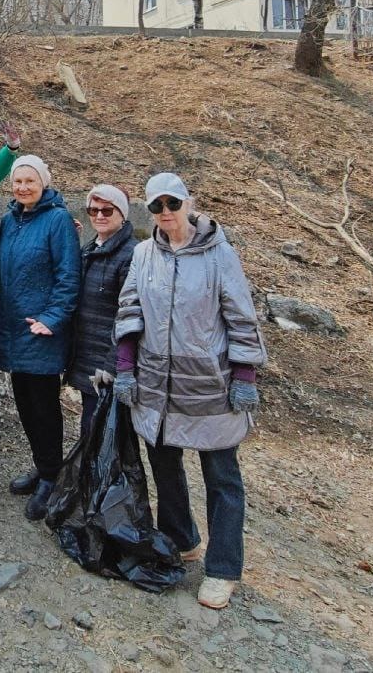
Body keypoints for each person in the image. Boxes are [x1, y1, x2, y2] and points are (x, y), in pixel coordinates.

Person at [114, 173, 266, 611]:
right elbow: (130, 310)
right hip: (157, 385)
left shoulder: (220, 255)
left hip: (208, 387)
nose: (165, 212)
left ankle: (223, 568)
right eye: (156, 206)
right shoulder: (143, 254)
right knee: (165, 467)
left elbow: (241, 317)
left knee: (222, 478)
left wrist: (244, 378)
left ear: (188, 203)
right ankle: (181, 540)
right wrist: (125, 369)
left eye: (172, 203)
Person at [0, 154, 81, 521]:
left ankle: (50, 477)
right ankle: (43, 465)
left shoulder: (58, 220)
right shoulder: (8, 221)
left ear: (44, 183)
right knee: (25, 405)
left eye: (30, 181)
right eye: (17, 181)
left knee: (44, 408)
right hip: (13, 328)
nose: (23, 187)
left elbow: (68, 275)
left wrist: (52, 318)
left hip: (41, 330)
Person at [68, 184, 137, 439]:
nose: (99, 216)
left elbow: (129, 315)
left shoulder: (131, 254)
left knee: (100, 434)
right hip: (87, 354)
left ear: (122, 214)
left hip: (107, 361)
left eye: (107, 210)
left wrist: (113, 365)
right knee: (91, 429)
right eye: (93, 210)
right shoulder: (91, 248)